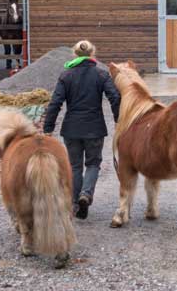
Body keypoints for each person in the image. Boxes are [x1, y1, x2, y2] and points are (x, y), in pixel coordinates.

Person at [44, 40, 121, 219]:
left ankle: (74, 204)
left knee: (75, 165)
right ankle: (85, 194)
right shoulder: (101, 74)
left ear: (75, 54)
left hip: (71, 128)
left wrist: (48, 128)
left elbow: (55, 103)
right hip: (95, 128)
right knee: (93, 163)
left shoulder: (66, 75)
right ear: (92, 54)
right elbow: (115, 97)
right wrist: (118, 119)